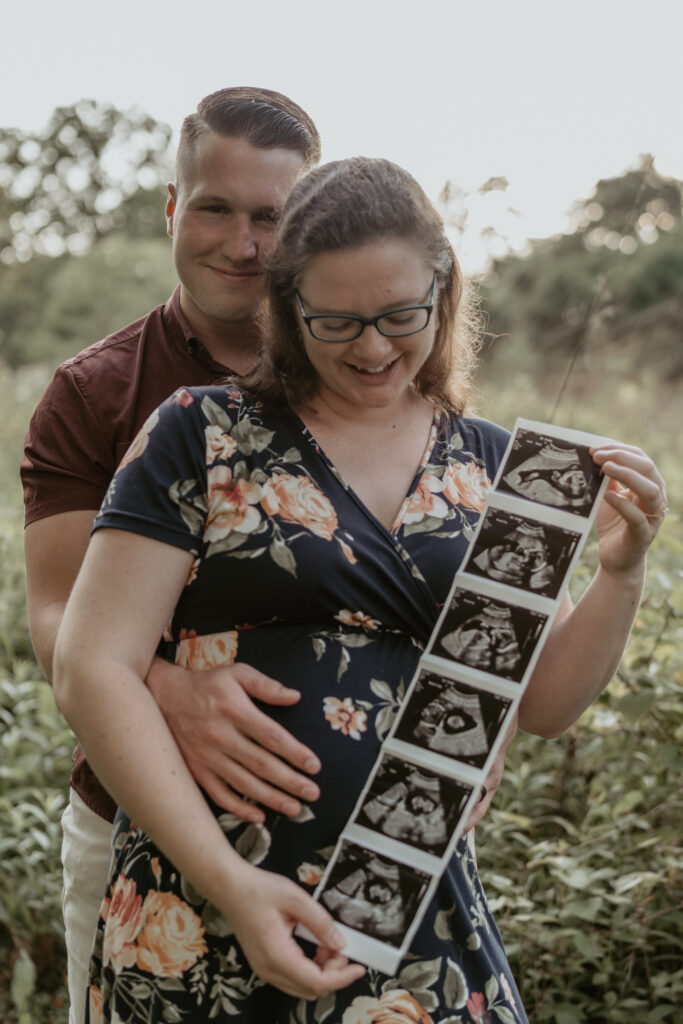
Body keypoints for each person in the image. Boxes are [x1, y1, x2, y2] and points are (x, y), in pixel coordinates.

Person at [53, 156, 667, 1022]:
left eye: (398, 316)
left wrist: (620, 569)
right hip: (198, 912)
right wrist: (230, 884)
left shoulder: (498, 466)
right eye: (336, 321)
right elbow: (91, 666)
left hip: (413, 920)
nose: (373, 348)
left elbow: (543, 703)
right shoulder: (200, 435)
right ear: (285, 307)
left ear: (443, 293)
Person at [21, 86, 325, 1024]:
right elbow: (54, 617)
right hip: (125, 833)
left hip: (333, 840)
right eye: (215, 208)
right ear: (170, 207)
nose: (242, 244)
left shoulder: (360, 373)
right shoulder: (93, 393)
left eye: (271, 216)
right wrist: (165, 688)